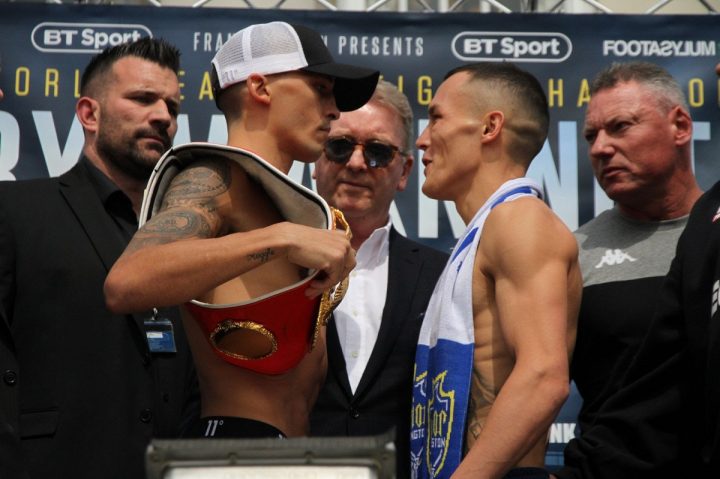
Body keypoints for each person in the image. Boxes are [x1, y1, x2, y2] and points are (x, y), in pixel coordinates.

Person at [104, 21, 379, 439]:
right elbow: (127, 281)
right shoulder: (214, 178)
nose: (335, 110)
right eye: (320, 89)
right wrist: (279, 237)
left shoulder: (291, 202)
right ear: (261, 88)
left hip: (290, 453)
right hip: (235, 448)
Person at [0, 38, 198, 478]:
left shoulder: (185, 241)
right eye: (143, 99)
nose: (163, 116)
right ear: (90, 114)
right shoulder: (17, 211)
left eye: (172, 106)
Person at [409, 62, 582, 479]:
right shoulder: (484, 234)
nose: (421, 140)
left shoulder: (520, 220)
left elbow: (543, 377)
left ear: (490, 127)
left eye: (436, 118)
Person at [555, 63, 720, 479]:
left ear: (680, 126)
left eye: (620, 126)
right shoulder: (572, 254)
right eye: (592, 136)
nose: (600, 148)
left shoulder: (712, 233)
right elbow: (534, 383)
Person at [309, 80, 448, 478]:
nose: (355, 163)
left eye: (377, 151)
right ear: (316, 158)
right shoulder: (267, 262)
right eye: (340, 146)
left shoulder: (444, 276)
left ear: (404, 171)